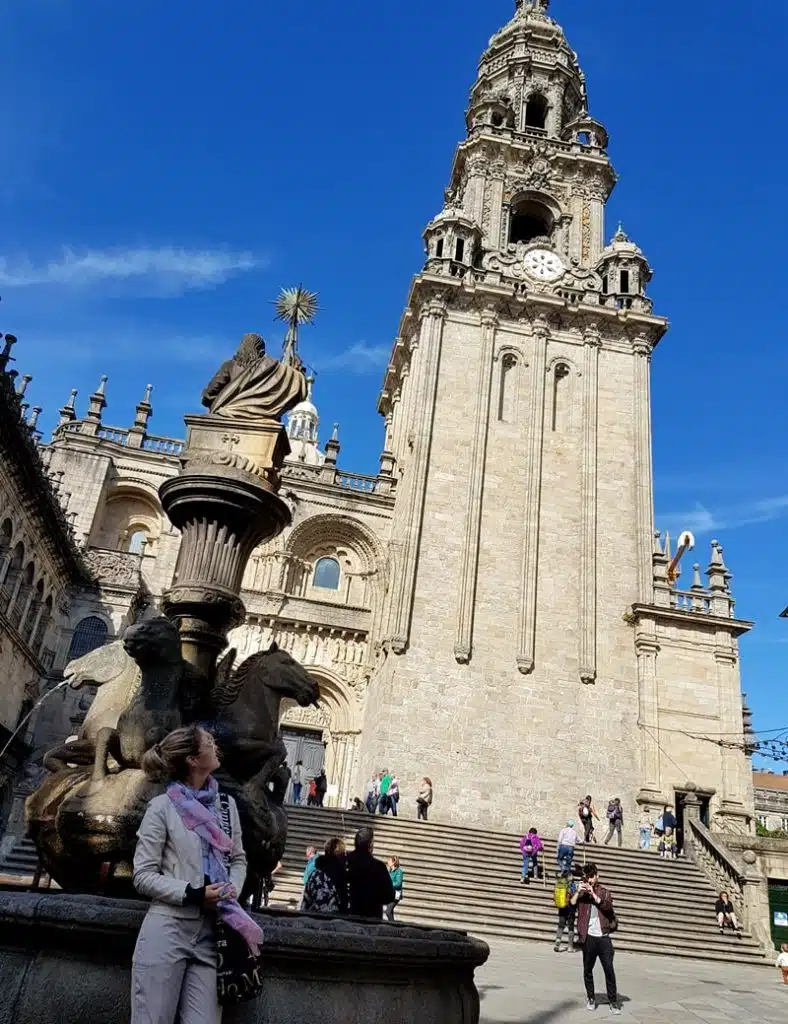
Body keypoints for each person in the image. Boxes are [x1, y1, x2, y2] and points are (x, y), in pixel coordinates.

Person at [131, 724, 261, 1024]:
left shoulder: (226, 807)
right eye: (209, 742)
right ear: (192, 758)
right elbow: (142, 874)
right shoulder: (161, 807)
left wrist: (231, 890)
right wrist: (194, 894)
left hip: (214, 935)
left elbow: (238, 860)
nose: (216, 746)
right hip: (168, 929)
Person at [572, 862, 621, 1015]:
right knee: (587, 969)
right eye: (588, 877)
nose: (590, 880)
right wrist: (577, 891)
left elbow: (608, 908)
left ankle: (613, 1001)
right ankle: (591, 998)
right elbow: (570, 905)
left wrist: (594, 895)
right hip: (588, 937)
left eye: (592, 876)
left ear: (597, 876)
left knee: (609, 970)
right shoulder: (581, 892)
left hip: (603, 936)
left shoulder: (605, 892)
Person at [346, 827, 395, 919]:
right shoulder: (378, 866)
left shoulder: (345, 861)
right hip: (372, 916)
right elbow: (389, 896)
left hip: (347, 915)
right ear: (371, 844)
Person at [301, 836, 348, 914]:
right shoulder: (341, 874)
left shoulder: (315, 873)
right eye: (343, 853)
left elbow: (306, 900)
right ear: (340, 855)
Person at [553, 870, 578, 952]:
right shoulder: (572, 884)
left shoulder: (560, 883)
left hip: (561, 907)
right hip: (570, 908)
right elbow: (574, 895)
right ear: (569, 876)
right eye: (571, 875)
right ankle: (570, 947)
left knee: (561, 925)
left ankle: (558, 939)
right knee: (571, 927)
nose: (572, 876)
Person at [383, 855, 404, 922]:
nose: (388, 862)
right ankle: (392, 924)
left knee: (388, 911)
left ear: (393, 862)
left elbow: (398, 884)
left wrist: (389, 884)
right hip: (391, 894)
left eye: (389, 861)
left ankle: (393, 924)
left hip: (396, 895)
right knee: (390, 911)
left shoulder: (399, 871)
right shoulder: (390, 871)